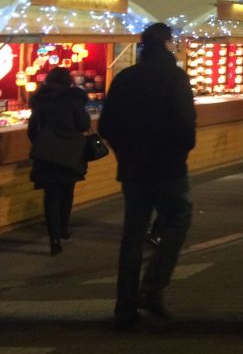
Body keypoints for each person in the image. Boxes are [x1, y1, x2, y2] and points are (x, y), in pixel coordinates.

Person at [99, 22, 196, 329]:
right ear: (167, 44)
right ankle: (152, 287)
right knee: (179, 218)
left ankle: (124, 307)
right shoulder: (176, 77)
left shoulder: (125, 77)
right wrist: (179, 151)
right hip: (168, 168)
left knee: (132, 237)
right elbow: (185, 126)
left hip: (133, 170)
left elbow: (106, 125)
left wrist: (126, 152)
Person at [28, 67, 91, 256]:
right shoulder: (73, 98)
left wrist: (43, 142)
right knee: (67, 191)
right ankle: (63, 228)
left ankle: (53, 238)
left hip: (46, 153)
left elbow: (32, 129)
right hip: (69, 151)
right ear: (68, 82)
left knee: (51, 195)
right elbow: (83, 124)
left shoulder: (40, 100)